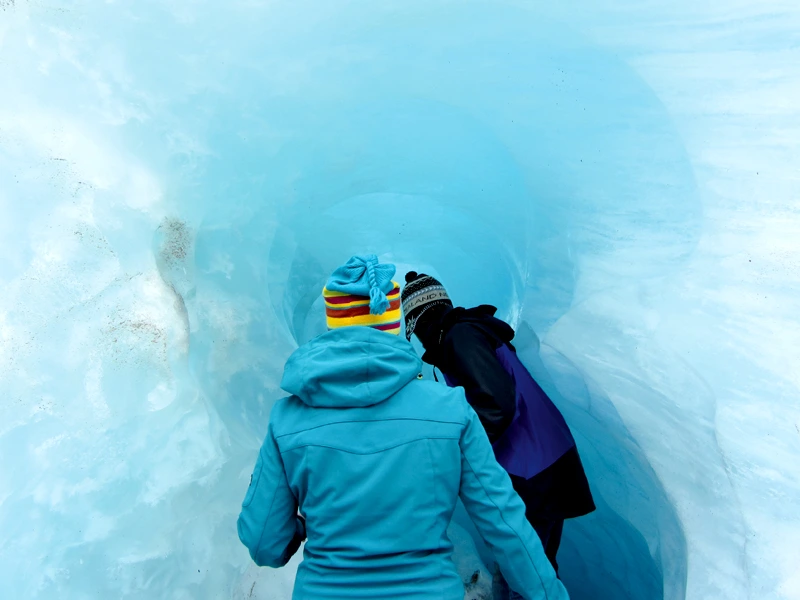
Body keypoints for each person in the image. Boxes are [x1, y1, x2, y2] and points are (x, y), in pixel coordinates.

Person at [237, 255, 569, 600]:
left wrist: (303, 528)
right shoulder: (451, 410)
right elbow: (506, 526)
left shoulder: (287, 420)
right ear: (393, 323)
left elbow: (264, 544)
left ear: (333, 322)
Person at [401, 271, 595, 582]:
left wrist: (460, 449)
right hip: (545, 458)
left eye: (416, 329)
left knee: (526, 573)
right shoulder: (470, 333)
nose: (420, 340)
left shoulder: (460, 338)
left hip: (534, 467)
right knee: (534, 566)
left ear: (424, 318)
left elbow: (497, 403)